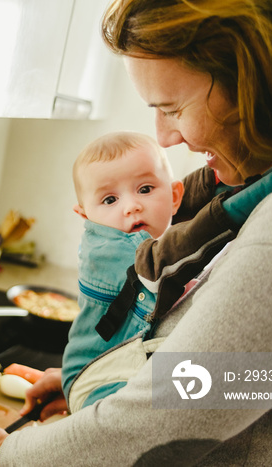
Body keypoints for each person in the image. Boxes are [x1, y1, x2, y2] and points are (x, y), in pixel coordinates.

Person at [0, 0, 272, 465]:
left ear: (256, 84)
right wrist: (106, 382)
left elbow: (177, 411)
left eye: (172, 107)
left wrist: (2, 452)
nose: (166, 136)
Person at [64, 131, 189, 410]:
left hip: (122, 373)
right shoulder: (108, 248)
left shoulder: (154, 243)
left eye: (145, 189)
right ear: (86, 216)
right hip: (96, 379)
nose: (132, 206)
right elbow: (162, 265)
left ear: (174, 196)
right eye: (110, 200)